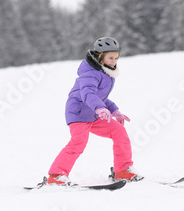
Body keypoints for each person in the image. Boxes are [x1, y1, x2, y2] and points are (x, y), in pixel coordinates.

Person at [46, 37, 142, 185]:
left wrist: (114, 110)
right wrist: (100, 108)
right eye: (110, 57)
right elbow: (88, 94)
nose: (114, 61)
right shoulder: (90, 73)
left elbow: (101, 97)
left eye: (116, 58)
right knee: (78, 142)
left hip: (94, 114)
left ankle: (123, 170)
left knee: (119, 132)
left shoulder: (106, 73)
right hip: (78, 112)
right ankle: (56, 175)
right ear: (99, 56)